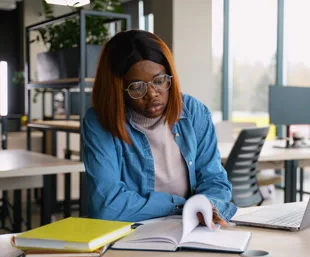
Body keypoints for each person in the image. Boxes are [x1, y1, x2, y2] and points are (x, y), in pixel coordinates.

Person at [81, 30, 236, 226]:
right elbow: (107, 205)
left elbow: (216, 181)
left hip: (190, 227)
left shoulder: (194, 112)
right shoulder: (100, 122)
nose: (152, 94)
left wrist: (208, 204)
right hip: (134, 233)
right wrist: (183, 206)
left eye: (159, 80)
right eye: (137, 87)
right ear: (117, 89)